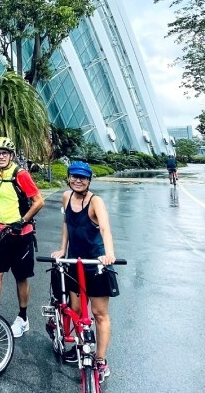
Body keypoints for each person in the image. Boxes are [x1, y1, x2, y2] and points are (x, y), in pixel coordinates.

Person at [50, 161, 118, 383]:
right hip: (74, 262)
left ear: (89, 180)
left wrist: (108, 254)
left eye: (83, 178)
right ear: (69, 177)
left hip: (95, 263)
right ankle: (81, 348)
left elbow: (105, 228)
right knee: (77, 311)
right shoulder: (66, 197)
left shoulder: (95, 201)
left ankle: (100, 359)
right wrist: (62, 248)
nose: (78, 180)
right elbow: (66, 224)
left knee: (99, 314)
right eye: (74, 177)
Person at [0, 137, 45, 338]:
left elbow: (38, 201)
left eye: (4, 153)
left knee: (21, 277)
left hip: (21, 235)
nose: (1, 156)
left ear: (12, 156)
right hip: (0, 232)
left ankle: (23, 318)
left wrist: (23, 221)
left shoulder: (20, 174)